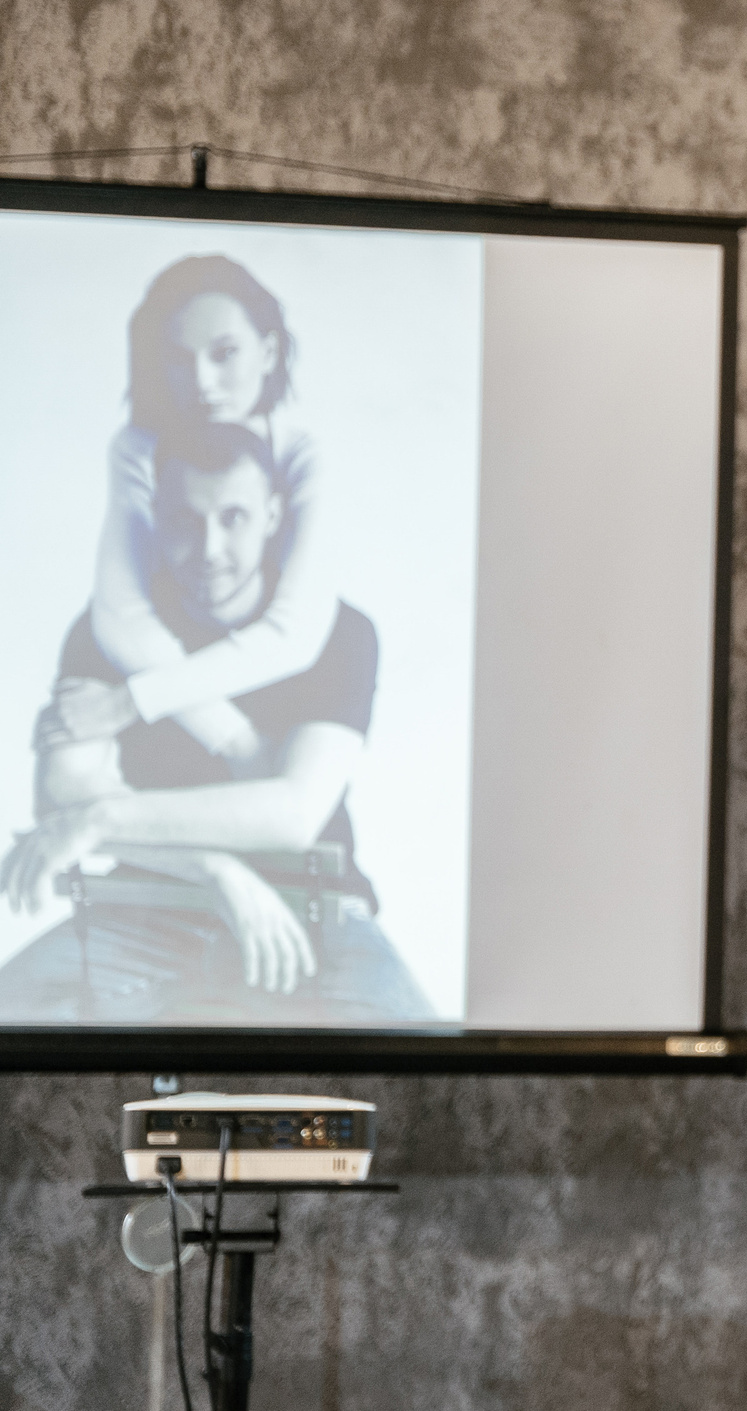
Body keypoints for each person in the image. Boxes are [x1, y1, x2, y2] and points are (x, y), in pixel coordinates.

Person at [0, 420, 428, 1025]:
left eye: (234, 518)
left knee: (420, 1081)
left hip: (314, 913)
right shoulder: (104, 629)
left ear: (275, 514)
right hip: (140, 910)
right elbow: (64, 793)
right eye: (183, 521)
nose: (208, 550)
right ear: (153, 514)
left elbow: (292, 815)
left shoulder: (341, 632)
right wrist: (215, 870)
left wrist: (102, 818)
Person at [41, 255, 334, 768]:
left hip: (272, 685)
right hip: (177, 688)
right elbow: (122, 620)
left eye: (224, 353)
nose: (201, 382)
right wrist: (237, 744)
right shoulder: (136, 451)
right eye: (178, 358)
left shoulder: (301, 455)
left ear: (268, 352)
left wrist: (131, 701)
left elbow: (296, 633)